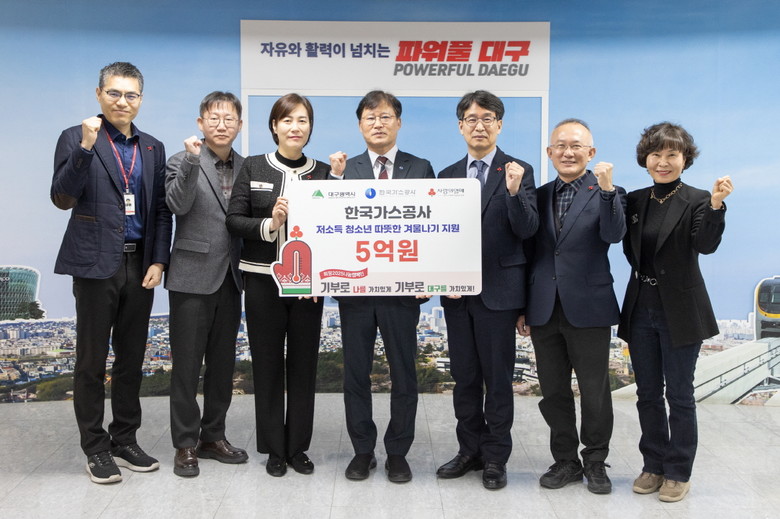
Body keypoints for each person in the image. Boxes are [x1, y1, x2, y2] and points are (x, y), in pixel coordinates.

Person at [50, 62, 171, 484]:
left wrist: (159, 261)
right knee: (91, 361)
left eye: (131, 95)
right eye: (115, 93)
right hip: (95, 264)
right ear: (99, 94)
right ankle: (96, 447)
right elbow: (62, 197)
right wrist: (85, 148)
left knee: (132, 359)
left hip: (140, 265)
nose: (123, 101)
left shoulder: (152, 147)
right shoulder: (75, 136)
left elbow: (161, 210)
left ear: (141, 99)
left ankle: (124, 439)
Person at [618, 122, 733, 502]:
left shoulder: (699, 199)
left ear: (685, 159)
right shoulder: (635, 200)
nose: (663, 162)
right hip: (640, 307)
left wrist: (716, 206)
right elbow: (622, 242)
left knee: (680, 395)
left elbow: (706, 245)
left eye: (672, 154)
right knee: (648, 394)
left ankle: (678, 472)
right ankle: (653, 465)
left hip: (681, 310)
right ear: (645, 159)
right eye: (656, 154)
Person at [329, 90, 434, 483]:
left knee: (404, 374)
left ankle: (398, 452)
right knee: (356, 374)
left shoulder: (420, 167)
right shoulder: (345, 169)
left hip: (402, 292)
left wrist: (429, 277)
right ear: (360, 125)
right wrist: (333, 180)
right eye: (370, 117)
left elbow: (432, 227)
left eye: (386, 116)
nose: (378, 123)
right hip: (356, 292)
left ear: (398, 123)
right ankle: (362, 450)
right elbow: (329, 226)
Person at [436, 90, 538, 490]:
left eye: (487, 119)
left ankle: (496, 457)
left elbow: (528, 230)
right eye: (472, 119)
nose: (479, 126)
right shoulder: (446, 175)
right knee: (464, 378)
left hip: (500, 295)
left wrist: (513, 192)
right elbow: (436, 236)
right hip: (457, 297)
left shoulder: (519, 170)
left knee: (497, 381)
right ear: (460, 126)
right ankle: (469, 451)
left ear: (499, 124)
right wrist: (442, 279)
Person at [521, 119, 626, 494]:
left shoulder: (609, 192)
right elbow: (528, 252)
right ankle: (565, 460)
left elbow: (614, 234)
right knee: (553, 392)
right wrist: (522, 307)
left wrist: (608, 191)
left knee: (594, 391)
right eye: (560, 146)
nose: (568, 152)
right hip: (543, 307)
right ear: (549, 153)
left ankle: (595, 461)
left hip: (589, 307)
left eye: (576, 146)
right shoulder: (539, 195)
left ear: (591, 153)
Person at [226, 93, 329, 477]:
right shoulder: (253, 167)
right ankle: (273, 447)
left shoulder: (323, 173)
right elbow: (234, 220)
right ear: (274, 126)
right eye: (287, 120)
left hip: (307, 285)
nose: (295, 127)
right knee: (267, 365)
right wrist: (270, 224)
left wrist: (323, 276)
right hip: (261, 278)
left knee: (304, 366)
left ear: (310, 127)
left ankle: (297, 446)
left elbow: (336, 230)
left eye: (302, 120)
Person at [165, 91, 248, 477]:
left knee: (222, 365)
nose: (221, 125)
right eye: (213, 118)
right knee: (186, 366)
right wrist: (192, 162)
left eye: (229, 119)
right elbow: (177, 205)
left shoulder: (248, 167)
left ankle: (213, 437)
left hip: (232, 277)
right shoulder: (182, 160)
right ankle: (185, 444)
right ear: (201, 123)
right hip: (191, 276)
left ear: (239, 125)